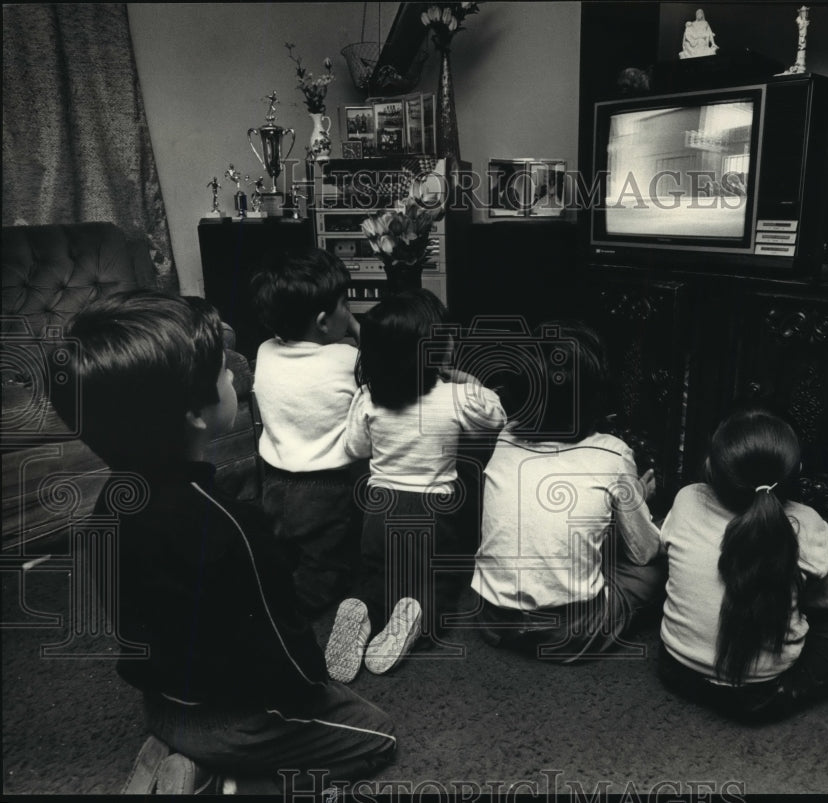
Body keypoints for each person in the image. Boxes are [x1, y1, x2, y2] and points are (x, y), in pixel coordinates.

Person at [49, 290, 395, 792]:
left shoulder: (109, 505)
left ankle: (173, 751)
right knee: (377, 734)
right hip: (232, 718)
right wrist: (316, 691)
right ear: (194, 413)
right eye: (221, 370)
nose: (235, 375)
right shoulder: (233, 525)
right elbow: (286, 653)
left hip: (161, 704)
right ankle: (226, 780)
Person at [327, 289, 506, 681]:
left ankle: (362, 608)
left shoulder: (368, 398)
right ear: (437, 350)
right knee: (435, 581)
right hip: (434, 513)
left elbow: (354, 447)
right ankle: (418, 614)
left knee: (376, 575)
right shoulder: (457, 398)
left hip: (379, 508)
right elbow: (496, 415)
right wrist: (463, 379)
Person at [657, 408, 828, 721]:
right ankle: (785, 692)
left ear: (712, 466)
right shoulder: (808, 522)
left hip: (675, 670)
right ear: (796, 471)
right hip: (756, 695)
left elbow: (664, 552)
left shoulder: (687, 498)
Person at [471, 321, 665, 663]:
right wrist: (638, 497)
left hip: (493, 618)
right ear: (596, 398)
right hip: (570, 633)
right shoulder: (614, 453)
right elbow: (644, 552)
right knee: (653, 569)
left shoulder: (504, 437)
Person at [251, 249, 362, 615]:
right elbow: (382, 359)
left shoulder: (265, 351)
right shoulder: (351, 361)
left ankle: (270, 582)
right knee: (327, 563)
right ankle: (290, 611)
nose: (350, 311)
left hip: (272, 481)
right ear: (323, 322)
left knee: (285, 546)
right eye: (345, 304)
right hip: (326, 490)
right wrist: (360, 333)